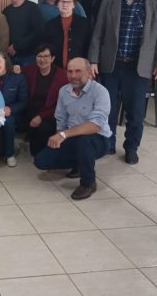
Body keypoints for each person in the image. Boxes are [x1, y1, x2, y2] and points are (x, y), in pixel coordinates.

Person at [88, 0, 157, 164]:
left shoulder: (156, 2)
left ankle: (131, 148)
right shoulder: (109, 1)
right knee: (108, 108)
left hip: (139, 66)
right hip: (112, 64)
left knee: (136, 111)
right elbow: (98, 33)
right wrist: (93, 60)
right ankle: (108, 143)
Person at [34, 58, 112, 200]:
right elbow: (61, 120)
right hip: (72, 136)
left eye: (78, 71)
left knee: (84, 141)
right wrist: (59, 140)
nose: (73, 75)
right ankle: (79, 163)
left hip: (98, 139)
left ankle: (88, 183)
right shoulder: (64, 91)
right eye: (70, 72)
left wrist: (64, 134)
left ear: (89, 72)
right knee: (41, 161)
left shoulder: (100, 91)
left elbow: (95, 125)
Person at [22, 44, 68, 156]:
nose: (42, 60)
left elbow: (61, 104)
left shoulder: (62, 76)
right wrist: (16, 68)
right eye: (39, 56)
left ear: (52, 58)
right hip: (31, 112)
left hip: (50, 114)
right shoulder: (29, 70)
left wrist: (41, 116)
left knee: (40, 147)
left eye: (46, 56)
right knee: (34, 151)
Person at [0, 51, 28, 167]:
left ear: (5, 61)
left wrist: (11, 109)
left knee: (9, 121)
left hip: (9, 113)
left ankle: (10, 154)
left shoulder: (18, 78)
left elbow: (24, 102)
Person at [44, 0, 91, 68]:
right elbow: (46, 48)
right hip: (56, 68)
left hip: (78, 68)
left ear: (74, 5)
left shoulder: (84, 23)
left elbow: (88, 46)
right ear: (57, 4)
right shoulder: (50, 25)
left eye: (68, 2)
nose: (65, 5)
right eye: (62, 1)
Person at [3, 0, 44, 67]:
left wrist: (16, 47)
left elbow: (38, 32)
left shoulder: (33, 8)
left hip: (28, 56)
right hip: (10, 56)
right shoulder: (6, 11)